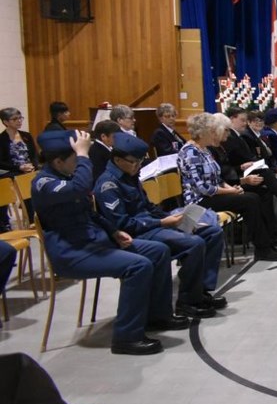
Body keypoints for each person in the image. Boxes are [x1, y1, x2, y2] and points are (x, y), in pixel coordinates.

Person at [32, 130, 185, 355]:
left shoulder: (64, 177)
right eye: (76, 160)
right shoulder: (44, 183)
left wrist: (114, 232)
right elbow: (81, 187)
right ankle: (127, 337)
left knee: (158, 251)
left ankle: (158, 316)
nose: (80, 164)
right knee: (138, 266)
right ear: (57, 161)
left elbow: (90, 213)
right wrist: (84, 154)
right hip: (73, 253)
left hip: (95, 243)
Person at [94, 133, 222, 318]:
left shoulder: (130, 175)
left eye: (140, 162)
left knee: (211, 232)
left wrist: (178, 218)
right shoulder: (108, 184)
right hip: (138, 233)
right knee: (194, 243)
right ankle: (187, 300)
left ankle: (200, 290)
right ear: (117, 160)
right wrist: (162, 222)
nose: (138, 167)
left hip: (153, 224)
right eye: (134, 162)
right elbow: (122, 223)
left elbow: (148, 206)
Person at [177, 113, 277, 262]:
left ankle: (267, 243)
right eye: (212, 130)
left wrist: (233, 187)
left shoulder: (204, 149)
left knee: (255, 197)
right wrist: (230, 191)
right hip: (200, 200)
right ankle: (263, 248)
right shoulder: (190, 152)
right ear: (203, 132)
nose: (215, 133)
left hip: (213, 195)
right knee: (250, 200)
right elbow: (203, 188)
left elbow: (218, 178)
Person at [0, 108, 39, 229]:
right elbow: (1, 162)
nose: (19, 121)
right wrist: (19, 167)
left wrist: (33, 165)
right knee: (4, 183)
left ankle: (33, 218)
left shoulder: (26, 136)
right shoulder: (1, 139)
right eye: (15, 119)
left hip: (28, 169)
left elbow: (34, 155)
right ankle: (3, 221)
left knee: (34, 179)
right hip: (12, 169)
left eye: (20, 118)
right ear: (6, 122)